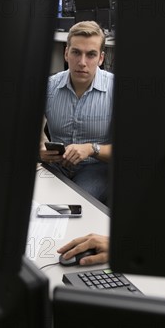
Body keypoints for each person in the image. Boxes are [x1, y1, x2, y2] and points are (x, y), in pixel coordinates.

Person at [40, 21, 114, 204]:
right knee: (35, 202)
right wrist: (40, 149)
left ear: (101, 59)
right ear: (66, 53)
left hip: (95, 168)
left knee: (70, 205)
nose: (82, 62)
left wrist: (91, 149)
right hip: (56, 166)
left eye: (91, 55)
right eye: (76, 52)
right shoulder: (49, 87)